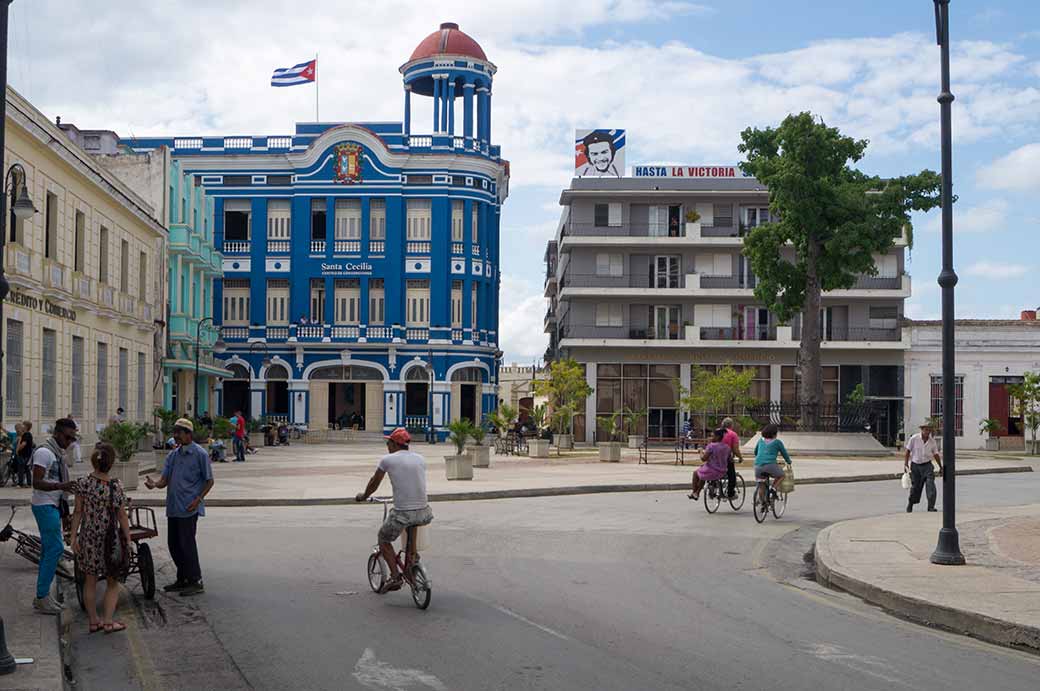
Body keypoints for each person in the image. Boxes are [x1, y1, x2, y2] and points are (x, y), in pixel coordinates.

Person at [355, 428, 433, 593]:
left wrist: (363, 496)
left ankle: (396, 577)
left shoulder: (387, 460)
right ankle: (411, 564)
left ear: (394, 444)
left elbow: (373, 483)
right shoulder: (420, 459)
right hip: (424, 511)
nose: (387, 446)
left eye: (388, 442)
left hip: (403, 512)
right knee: (412, 530)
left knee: (383, 539)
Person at [144, 418, 214, 596]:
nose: (175, 436)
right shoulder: (172, 456)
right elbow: (164, 481)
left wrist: (198, 499)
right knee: (174, 544)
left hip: (189, 508)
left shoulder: (200, 454)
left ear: (188, 434)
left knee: (187, 544)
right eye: (174, 432)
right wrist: (154, 485)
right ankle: (182, 578)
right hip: (174, 507)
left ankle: (195, 580)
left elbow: (209, 481)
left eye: (179, 432)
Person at [70, 442, 132, 634]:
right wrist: (128, 539)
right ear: (111, 463)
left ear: (93, 461)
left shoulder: (83, 483)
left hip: (88, 537)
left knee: (90, 580)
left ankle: (93, 621)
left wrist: (73, 537)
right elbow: (122, 515)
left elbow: (78, 512)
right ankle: (107, 622)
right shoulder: (116, 486)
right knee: (112, 583)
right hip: (110, 540)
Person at [30, 418, 78, 614]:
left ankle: (42, 596)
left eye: (73, 438)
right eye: (68, 437)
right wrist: (61, 486)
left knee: (48, 550)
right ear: (57, 433)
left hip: (52, 505)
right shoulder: (44, 452)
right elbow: (36, 482)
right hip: (44, 505)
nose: (70, 442)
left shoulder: (58, 453)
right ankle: (41, 597)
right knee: (56, 549)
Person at [905, 422, 943, 513]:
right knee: (915, 488)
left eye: (929, 430)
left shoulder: (932, 441)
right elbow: (907, 452)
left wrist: (941, 467)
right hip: (915, 466)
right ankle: (910, 503)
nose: (927, 432)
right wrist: (905, 464)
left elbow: (936, 454)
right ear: (921, 430)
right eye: (925, 429)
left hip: (927, 466)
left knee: (931, 486)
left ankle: (931, 506)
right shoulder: (914, 438)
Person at [752, 424, 792, 505]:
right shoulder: (777, 442)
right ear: (774, 434)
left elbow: (755, 452)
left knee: (761, 484)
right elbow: (784, 454)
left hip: (757, 466)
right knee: (781, 475)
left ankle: (762, 502)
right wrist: (789, 462)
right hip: (770, 465)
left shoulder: (760, 440)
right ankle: (773, 488)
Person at [688, 429, 731, 500]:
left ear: (717, 437)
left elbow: (703, 459)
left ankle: (695, 492)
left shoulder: (711, 446)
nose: (710, 438)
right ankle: (696, 493)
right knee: (702, 471)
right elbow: (730, 458)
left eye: (712, 436)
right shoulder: (727, 447)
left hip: (712, 471)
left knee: (696, 473)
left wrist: (701, 451)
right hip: (722, 471)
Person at [720, 417, 745, 499]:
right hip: (726, 458)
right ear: (731, 425)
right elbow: (735, 449)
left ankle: (714, 488)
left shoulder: (717, 432)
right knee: (732, 476)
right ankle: (730, 493)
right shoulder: (733, 434)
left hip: (714, 457)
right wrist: (740, 457)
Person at [15, 421, 35, 488]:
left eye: (23, 425)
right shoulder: (26, 434)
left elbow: (23, 444)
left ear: (26, 427)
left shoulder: (27, 434)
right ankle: (28, 483)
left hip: (24, 455)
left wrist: (17, 450)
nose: (22, 426)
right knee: (26, 469)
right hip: (26, 454)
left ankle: (20, 484)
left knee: (21, 469)